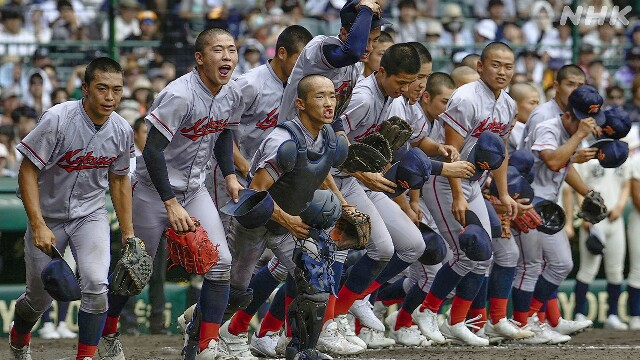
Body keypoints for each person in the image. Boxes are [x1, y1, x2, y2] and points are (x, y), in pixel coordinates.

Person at [99, 28, 244, 360]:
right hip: (152, 191)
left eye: (231, 50)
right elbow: (151, 151)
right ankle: (107, 331)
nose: (226, 57)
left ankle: (204, 343)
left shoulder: (232, 92)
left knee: (222, 264)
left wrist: (231, 175)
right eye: (218, 50)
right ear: (199, 58)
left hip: (194, 190)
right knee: (134, 271)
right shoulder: (179, 94)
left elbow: (223, 135)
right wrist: (170, 203)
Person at [9, 57, 135, 360]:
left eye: (116, 90)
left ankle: (86, 356)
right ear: (85, 89)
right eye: (102, 88)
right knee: (38, 299)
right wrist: (37, 223)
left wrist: (129, 234)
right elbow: (27, 171)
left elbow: (119, 182)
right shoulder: (57, 118)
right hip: (47, 215)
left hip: (89, 214)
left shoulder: (122, 129)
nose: (109, 97)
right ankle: (19, 337)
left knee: (95, 284)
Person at [227, 74, 350, 360]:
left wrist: (344, 206)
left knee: (315, 279)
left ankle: (300, 350)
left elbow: (314, 174)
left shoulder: (329, 138)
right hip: (255, 222)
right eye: (320, 96)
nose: (329, 103)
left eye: (332, 95)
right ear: (300, 104)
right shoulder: (283, 142)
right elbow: (256, 192)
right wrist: (288, 220)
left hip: (288, 224)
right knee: (236, 291)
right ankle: (201, 334)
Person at [413, 42, 519, 346]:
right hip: (446, 182)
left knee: (483, 256)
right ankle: (426, 311)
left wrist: (504, 193)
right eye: (496, 64)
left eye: (508, 66)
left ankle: (458, 321)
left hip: (473, 183)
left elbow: (500, 153)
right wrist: (458, 194)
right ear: (481, 67)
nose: (502, 71)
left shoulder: (508, 104)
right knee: (464, 252)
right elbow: (451, 150)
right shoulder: (466, 98)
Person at [513, 85, 604, 343]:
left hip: (546, 202)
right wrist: (578, 138)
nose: (590, 127)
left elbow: (563, 166)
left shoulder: (568, 130)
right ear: (569, 115)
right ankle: (523, 323)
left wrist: (587, 192)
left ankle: (529, 320)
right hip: (529, 200)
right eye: (585, 121)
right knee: (529, 266)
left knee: (560, 264)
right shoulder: (549, 125)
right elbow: (553, 160)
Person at [507, 83, 540, 153]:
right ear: (514, 104)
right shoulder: (510, 128)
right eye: (532, 103)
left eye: (537, 103)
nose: (537, 108)